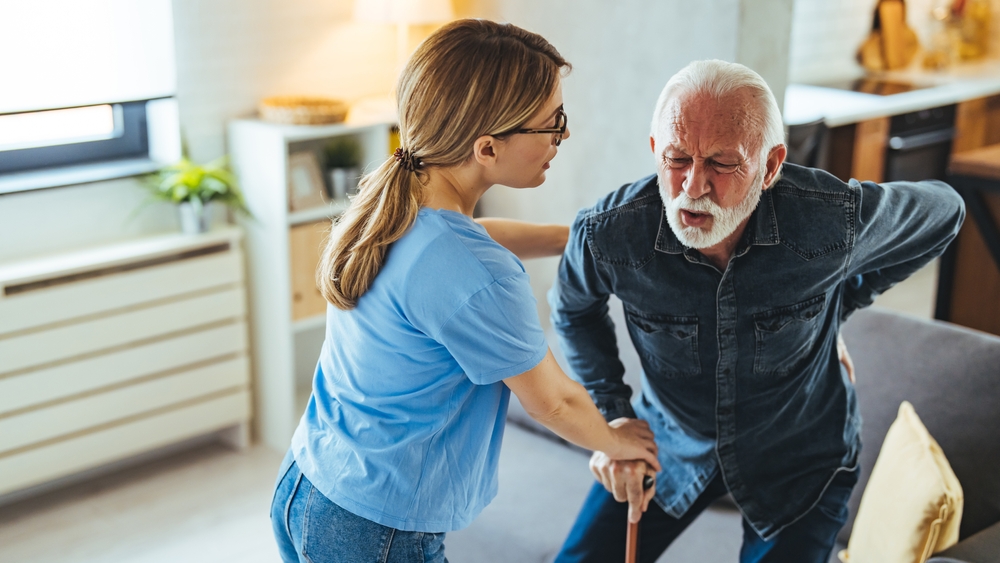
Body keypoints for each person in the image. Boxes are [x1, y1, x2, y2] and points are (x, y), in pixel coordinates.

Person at [269, 19, 659, 563]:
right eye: (552, 123)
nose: (562, 137)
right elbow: (554, 401)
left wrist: (572, 238)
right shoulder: (480, 275)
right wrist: (621, 441)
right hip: (377, 530)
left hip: (310, 485)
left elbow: (471, 240)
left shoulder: (395, 207)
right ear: (487, 147)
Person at [549, 59, 965, 563]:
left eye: (722, 164)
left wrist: (838, 301)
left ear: (770, 167)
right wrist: (611, 414)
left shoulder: (827, 221)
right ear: (656, 149)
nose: (692, 186)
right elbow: (574, 311)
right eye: (678, 158)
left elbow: (946, 212)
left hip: (801, 456)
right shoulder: (608, 233)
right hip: (671, 444)